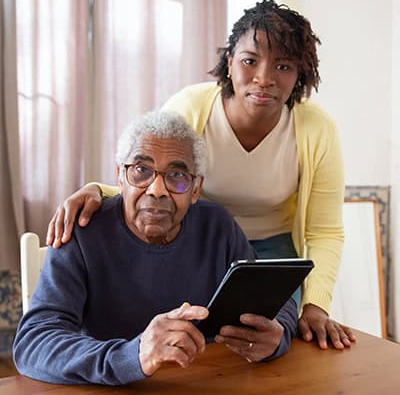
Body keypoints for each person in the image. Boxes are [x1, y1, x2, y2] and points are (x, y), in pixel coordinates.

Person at [45, 0, 355, 350]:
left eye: (283, 66)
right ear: (230, 61)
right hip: (203, 243)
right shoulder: (192, 107)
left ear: (300, 73)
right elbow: (152, 170)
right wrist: (97, 189)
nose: (264, 78)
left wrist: (314, 307)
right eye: (250, 60)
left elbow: (324, 230)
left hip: (273, 252)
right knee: (197, 341)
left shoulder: (317, 129)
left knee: (270, 345)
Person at [13, 111, 297, 386]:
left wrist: (276, 337)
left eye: (176, 175)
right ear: (120, 178)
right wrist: (133, 356)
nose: (157, 189)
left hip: (207, 381)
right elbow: (34, 344)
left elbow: (277, 301)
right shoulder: (83, 231)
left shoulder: (217, 226)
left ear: (196, 189)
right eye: (141, 171)